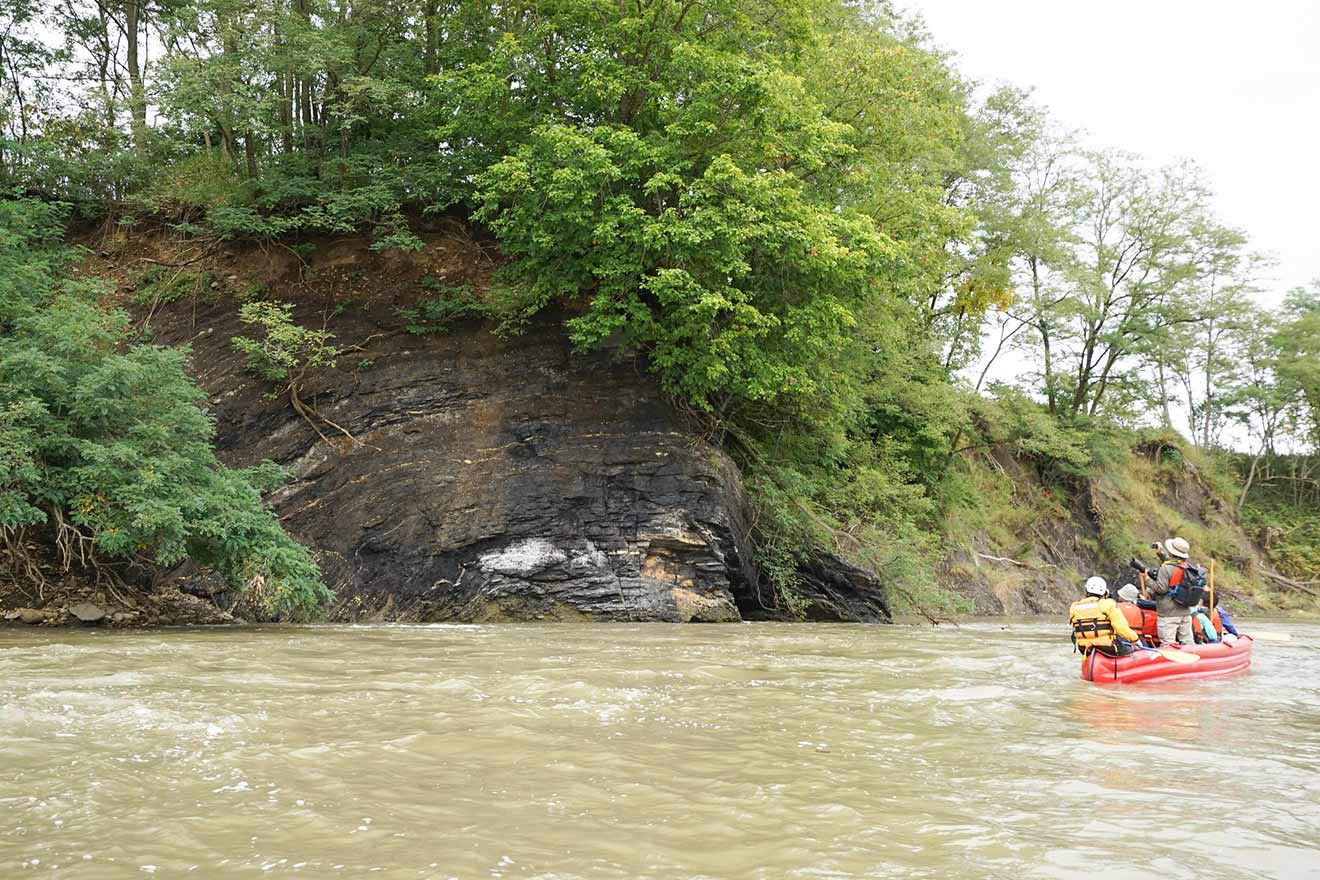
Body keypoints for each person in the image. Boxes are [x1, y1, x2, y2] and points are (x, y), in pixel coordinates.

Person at [1147, 537, 1202, 645]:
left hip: (1168, 613)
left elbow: (1161, 589)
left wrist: (1147, 580)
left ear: (1171, 552)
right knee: (1188, 643)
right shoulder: (1188, 567)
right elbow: (1174, 567)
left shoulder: (1165, 568)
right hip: (1185, 612)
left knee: (1168, 644)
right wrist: (1161, 554)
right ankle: (1191, 661)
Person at [1069, 576, 1141, 657]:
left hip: (1084, 648)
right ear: (1104, 592)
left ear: (1086, 591)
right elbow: (1121, 628)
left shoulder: (1074, 607)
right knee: (1131, 651)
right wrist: (1135, 640)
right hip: (1107, 647)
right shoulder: (1108, 604)